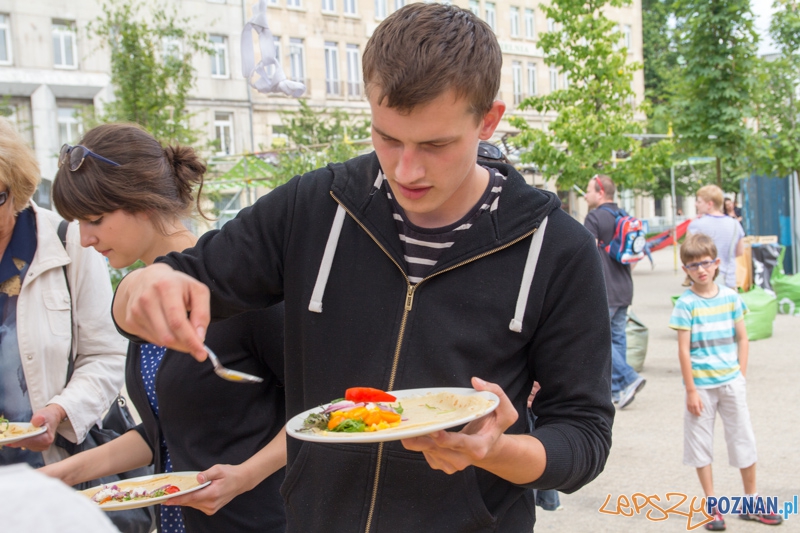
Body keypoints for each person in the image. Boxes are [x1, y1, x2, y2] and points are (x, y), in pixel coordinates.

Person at [111, 5, 614, 532]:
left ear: (488, 119)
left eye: (435, 145)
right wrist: (143, 287)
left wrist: (493, 451)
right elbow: (180, 278)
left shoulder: (556, 248)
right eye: (387, 137)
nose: (406, 169)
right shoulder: (313, 205)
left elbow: (584, 436)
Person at [41, 124, 287, 533]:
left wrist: (246, 475)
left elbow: (318, 410)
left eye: (95, 219)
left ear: (142, 203)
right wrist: (61, 475)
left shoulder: (239, 288)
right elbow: (162, 433)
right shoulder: (143, 299)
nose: (84, 239)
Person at [0, 117, 126, 469]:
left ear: (18, 186)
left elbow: (107, 356)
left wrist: (60, 411)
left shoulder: (68, 241)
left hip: (53, 470)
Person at [669, 234, 783, 530]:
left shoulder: (731, 297)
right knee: (700, 445)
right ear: (686, 269)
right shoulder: (685, 304)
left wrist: (740, 375)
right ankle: (712, 507)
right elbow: (683, 349)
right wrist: (691, 389)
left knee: (743, 439)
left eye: (706, 263)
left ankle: (752, 502)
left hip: (731, 382)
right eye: (693, 265)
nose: (701, 270)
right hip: (701, 388)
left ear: (716, 263)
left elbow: (743, 338)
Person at [583, 174, 646, 409]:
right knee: (618, 338)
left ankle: (629, 378)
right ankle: (618, 389)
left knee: (601, 339)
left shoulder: (594, 218)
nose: (585, 195)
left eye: (588, 190)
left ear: (600, 192)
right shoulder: (624, 216)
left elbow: (587, 256)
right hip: (624, 287)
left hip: (605, 288)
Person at [688, 185, 744, 289]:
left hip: (703, 282)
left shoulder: (697, 225)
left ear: (710, 204)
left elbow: (687, 253)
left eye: (699, 202)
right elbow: (740, 252)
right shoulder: (735, 224)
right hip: (729, 280)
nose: (696, 204)